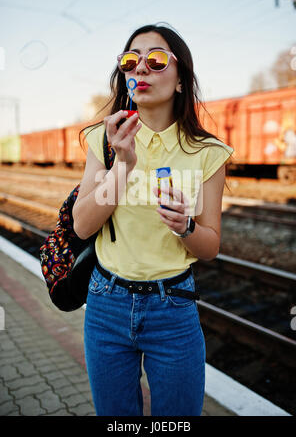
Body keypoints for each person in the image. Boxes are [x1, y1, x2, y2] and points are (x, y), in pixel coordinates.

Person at [73, 23, 234, 416]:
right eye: (131, 60)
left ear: (181, 80)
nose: (141, 68)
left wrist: (186, 227)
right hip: (105, 305)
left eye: (156, 60)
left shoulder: (207, 152)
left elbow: (210, 246)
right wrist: (123, 164)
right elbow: (82, 225)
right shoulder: (104, 138)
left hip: (173, 310)